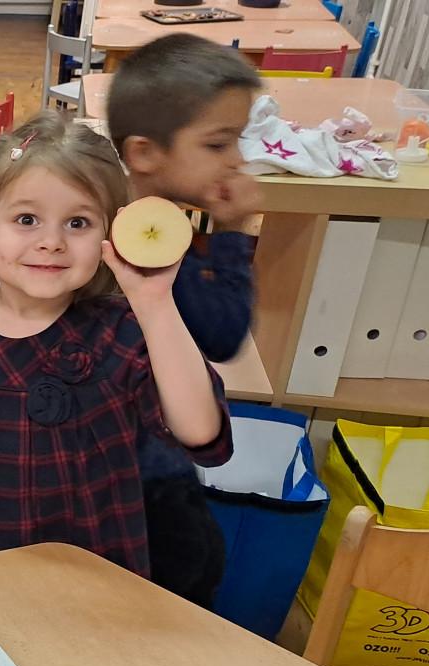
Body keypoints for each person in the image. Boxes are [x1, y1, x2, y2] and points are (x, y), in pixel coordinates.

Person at [0, 114, 233, 577]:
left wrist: (155, 304)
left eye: (77, 222)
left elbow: (201, 433)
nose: (51, 242)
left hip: (87, 575)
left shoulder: (122, 332)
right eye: (26, 219)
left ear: (109, 236)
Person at [107, 33, 262, 606]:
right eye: (219, 143)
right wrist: (236, 233)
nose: (237, 159)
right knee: (187, 578)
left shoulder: (120, 217)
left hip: (125, 467)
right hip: (146, 481)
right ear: (145, 153)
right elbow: (223, 334)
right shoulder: (155, 249)